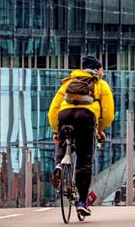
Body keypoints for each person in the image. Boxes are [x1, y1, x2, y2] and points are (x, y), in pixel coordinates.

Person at [47, 55, 115, 216]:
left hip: (65, 115)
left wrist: (56, 131)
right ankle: (82, 202)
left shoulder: (69, 82)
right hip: (86, 117)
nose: (103, 72)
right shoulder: (101, 85)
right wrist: (99, 129)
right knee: (84, 159)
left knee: (63, 143)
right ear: (97, 70)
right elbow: (108, 113)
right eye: (101, 69)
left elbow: (53, 110)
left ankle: (59, 165)